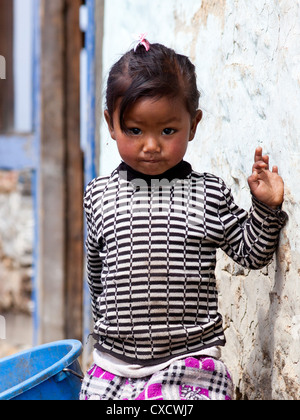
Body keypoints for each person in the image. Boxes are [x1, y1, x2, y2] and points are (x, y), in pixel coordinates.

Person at [80, 37, 287, 401]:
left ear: (193, 124)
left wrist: (265, 208)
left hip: (189, 364)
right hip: (113, 365)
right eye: (134, 129)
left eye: (168, 131)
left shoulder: (207, 194)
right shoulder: (98, 195)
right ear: (110, 124)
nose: (150, 145)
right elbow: (97, 276)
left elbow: (251, 253)